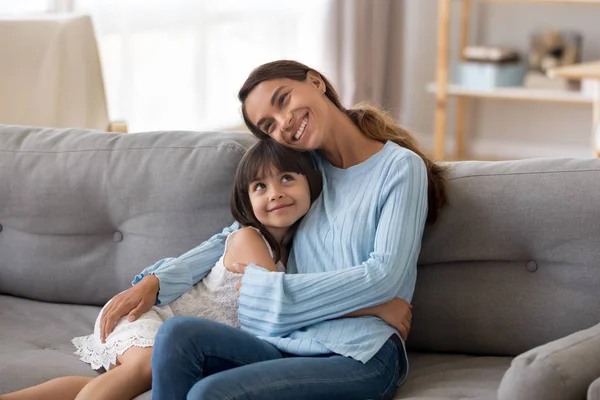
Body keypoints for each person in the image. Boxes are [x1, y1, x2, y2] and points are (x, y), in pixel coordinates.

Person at [100, 60, 446, 400]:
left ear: (315, 82)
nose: (285, 122)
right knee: (176, 334)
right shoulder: (304, 172)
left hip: (360, 353)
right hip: (287, 341)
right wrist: (156, 281)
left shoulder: (401, 168)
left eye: (283, 100)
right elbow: (236, 236)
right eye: (269, 125)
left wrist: (273, 297)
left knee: (209, 393)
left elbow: (383, 277)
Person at [0, 139, 326, 400]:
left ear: (310, 184)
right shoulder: (249, 239)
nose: (276, 193)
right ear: (247, 200)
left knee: (128, 381)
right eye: (260, 187)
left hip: (180, 341)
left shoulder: (291, 255)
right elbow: (279, 309)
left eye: (286, 178)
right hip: (148, 315)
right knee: (146, 367)